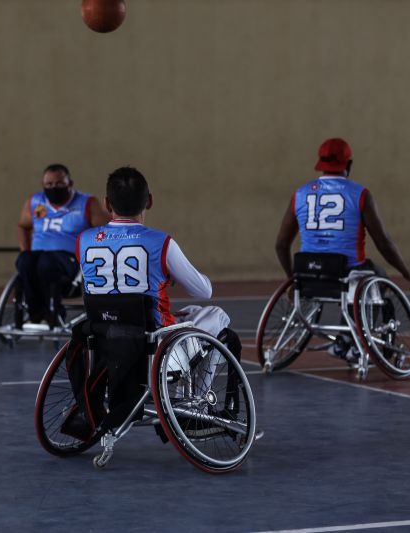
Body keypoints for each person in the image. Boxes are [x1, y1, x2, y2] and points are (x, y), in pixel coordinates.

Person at [72, 166, 243, 438]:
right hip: (155, 352)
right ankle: (194, 409)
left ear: (107, 204)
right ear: (149, 201)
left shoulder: (84, 241)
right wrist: (168, 273)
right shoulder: (160, 242)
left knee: (188, 313)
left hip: (104, 349)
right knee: (216, 314)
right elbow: (203, 289)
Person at [274, 137, 410, 359]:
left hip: (308, 273)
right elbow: (384, 243)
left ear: (320, 164)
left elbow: (281, 244)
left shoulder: (300, 194)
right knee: (377, 277)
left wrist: (292, 279)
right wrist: (405, 272)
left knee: (359, 278)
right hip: (345, 273)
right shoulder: (360, 194)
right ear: (348, 164)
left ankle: (345, 340)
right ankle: (352, 342)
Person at [16, 163, 110, 326]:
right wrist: (26, 249)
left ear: (70, 184)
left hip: (69, 260)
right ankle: (35, 312)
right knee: (24, 260)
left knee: (47, 262)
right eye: (49, 184)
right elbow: (23, 226)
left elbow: (106, 230)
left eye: (59, 183)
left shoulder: (86, 203)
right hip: (39, 257)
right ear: (43, 186)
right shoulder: (35, 202)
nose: (54, 187)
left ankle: (53, 311)